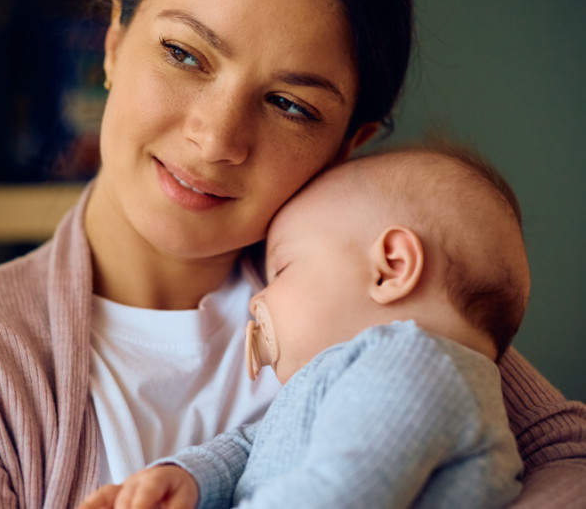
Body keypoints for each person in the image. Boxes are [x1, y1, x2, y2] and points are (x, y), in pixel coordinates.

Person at [0, 0, 586, 507]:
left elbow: (568, 457)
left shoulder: (377, 307)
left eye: (290, 105)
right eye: (185, 55)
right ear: (112, 43)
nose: (216, 138)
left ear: (348, 144)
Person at [78, 145, 528, 509]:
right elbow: (252, 447)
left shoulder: (418, 371)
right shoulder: (356, 372)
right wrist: (189, 479)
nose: (257, 298)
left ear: (391, 268)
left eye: (284, 268)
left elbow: (340, 490)